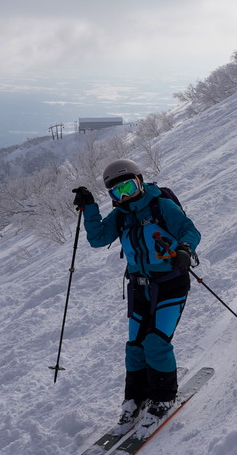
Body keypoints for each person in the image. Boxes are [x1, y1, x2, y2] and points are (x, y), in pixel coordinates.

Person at [72, 158, 201, 437]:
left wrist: (184, 250)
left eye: (129, 187)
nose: (125, 195)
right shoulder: (121, 216)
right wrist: (90, 207)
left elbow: (190, 230)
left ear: (140, 182)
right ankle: (136, 398)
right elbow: (97, 239)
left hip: (170, 284)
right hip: (138, 288)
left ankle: (163, 398)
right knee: (135, 347)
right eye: (117, 192)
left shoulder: (161, 205)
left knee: (155, 342)